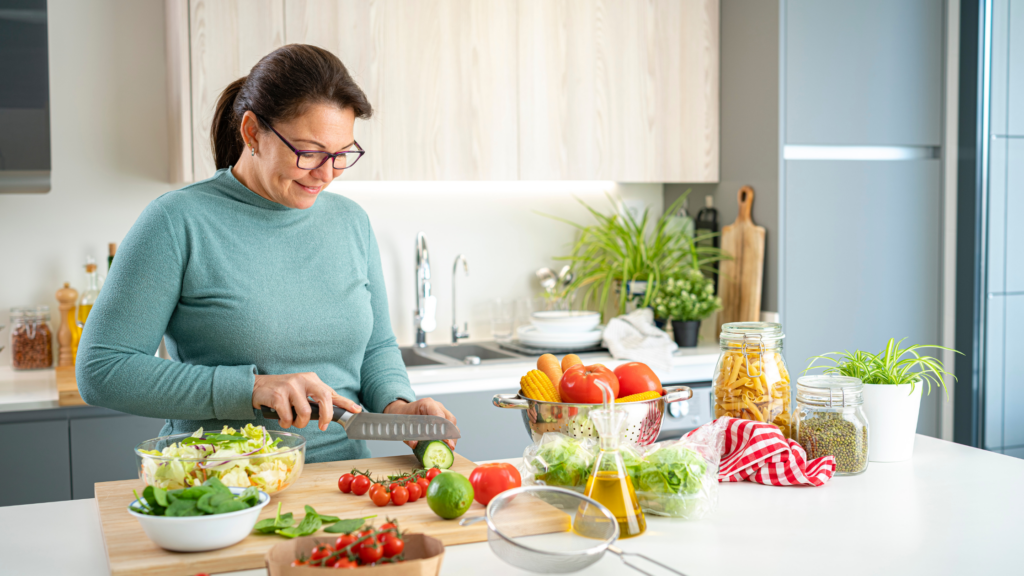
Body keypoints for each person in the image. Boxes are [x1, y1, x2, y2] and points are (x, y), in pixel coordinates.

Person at [76, 44, 456, 463]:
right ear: (252, 132)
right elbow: (102, 369)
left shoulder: (351, 222)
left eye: (342, 154)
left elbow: (376, 348)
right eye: (309, 152)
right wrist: (251, 389)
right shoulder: (177, 221)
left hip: (346, 480)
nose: (326, 173)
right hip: (220, 485)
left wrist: (398, 406)